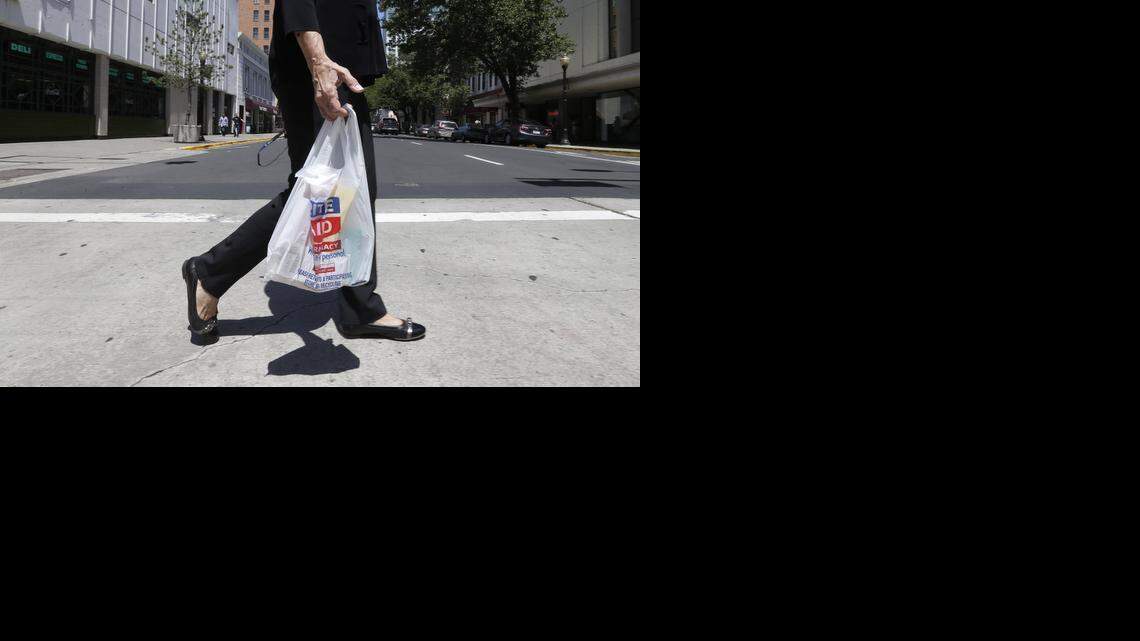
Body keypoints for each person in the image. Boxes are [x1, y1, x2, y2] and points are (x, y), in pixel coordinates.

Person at [181, 0, 424, 341]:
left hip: (339, 66)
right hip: (320, 64)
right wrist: (319, 63)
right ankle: (210, 272)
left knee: (345, 190)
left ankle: (358, 305)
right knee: (317, 190)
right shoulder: (319, 65)